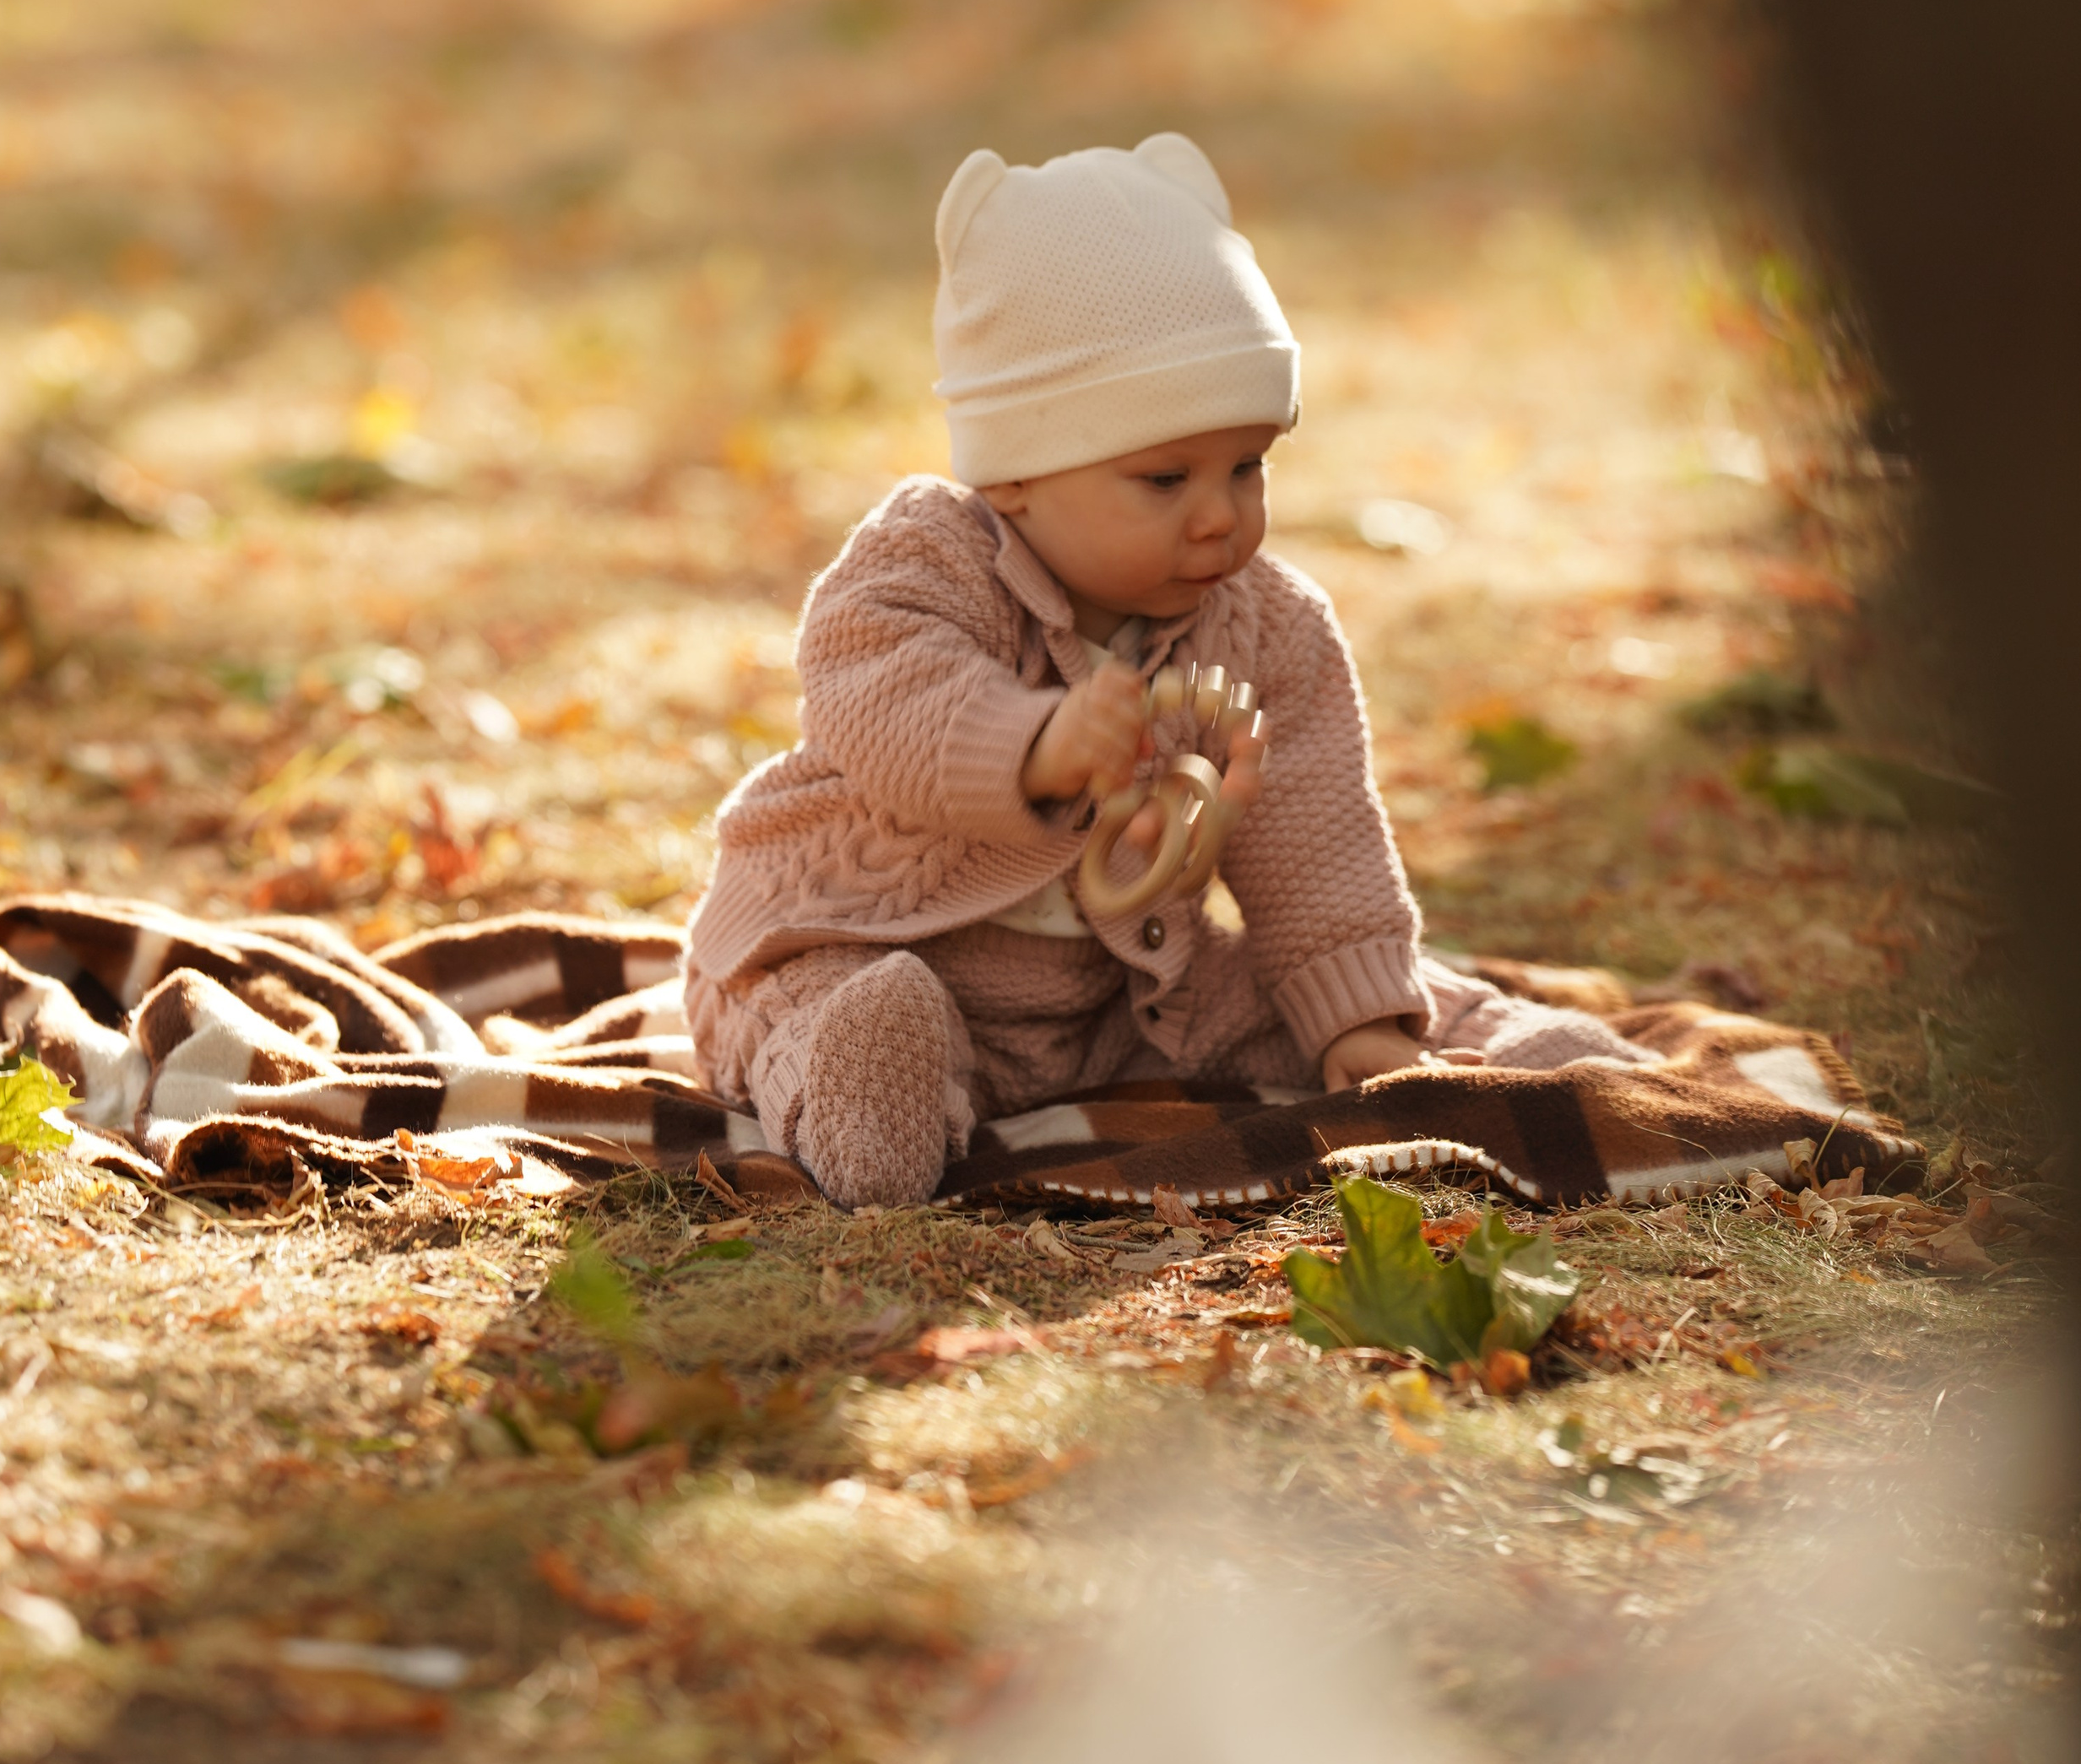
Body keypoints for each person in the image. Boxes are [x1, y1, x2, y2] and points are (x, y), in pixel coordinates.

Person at [685, 135, 1645, 1206]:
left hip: (1118, 997)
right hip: (878, 936)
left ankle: (1501, 1054)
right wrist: (1035, 742)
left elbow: (1316, 833)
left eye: (1248, 465)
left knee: (1318, 992)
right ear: (1011, 473)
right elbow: (876, 700)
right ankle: (869, 1104)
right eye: (1163, 477)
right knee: (817, 1008)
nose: (1219, 515)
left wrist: (1355, 1012)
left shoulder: (1268, 625)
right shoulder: (925, 558)